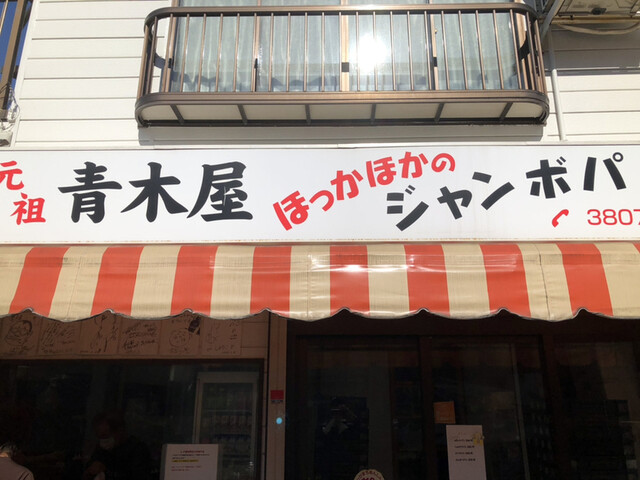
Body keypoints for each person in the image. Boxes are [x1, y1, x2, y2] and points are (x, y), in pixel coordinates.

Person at [82, 412, 152, 480]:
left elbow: (138, 475)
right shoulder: (101, 449)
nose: (102, 441)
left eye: (105, 436)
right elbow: (89, 469)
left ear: (119, 431)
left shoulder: (137, 450)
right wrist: (90, 471)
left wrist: (107, 472)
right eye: (99, 437)